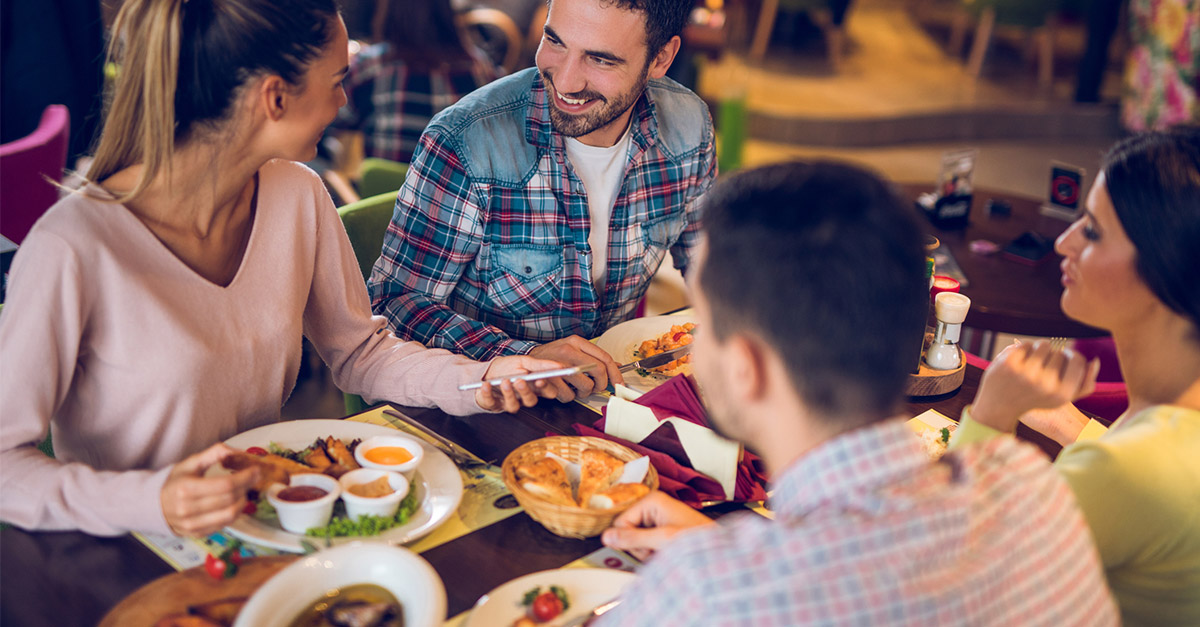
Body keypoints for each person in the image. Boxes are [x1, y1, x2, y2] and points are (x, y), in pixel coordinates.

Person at [0, 0, 563, 539]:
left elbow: (360, 353)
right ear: (274, 97)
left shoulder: (297, 194)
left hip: (272, 523)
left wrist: (481, 379)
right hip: (129, 554)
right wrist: (154, 500)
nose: (345, 100)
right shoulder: (72, 247)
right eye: (338, 80)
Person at [595, 162, 1117, 625]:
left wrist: (722, 562)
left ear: (747, 367)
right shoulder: (1034, 490)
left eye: (705, 323)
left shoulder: (706, 594)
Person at [368, 0, 716, 402]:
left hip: (618, 399)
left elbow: (712, 266)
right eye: (554, 41)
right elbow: (393, 305)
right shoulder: (467, 141)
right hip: (488, 410)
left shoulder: (689, 127)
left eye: (600, 60)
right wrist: (526, 356)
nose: (566, 81)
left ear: (661, 58)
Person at [953, 126, 1200, 625]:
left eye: (1091, 231)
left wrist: (991, 413)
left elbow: (957, 577)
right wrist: (1077, 429)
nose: (1063, 242)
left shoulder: (1128, 470)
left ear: (1166, 267)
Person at [328, 0, 499, 164]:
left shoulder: (372, 66)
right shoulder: (479, 68)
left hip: (385, 193)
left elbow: (333, 119)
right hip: (452, 192)